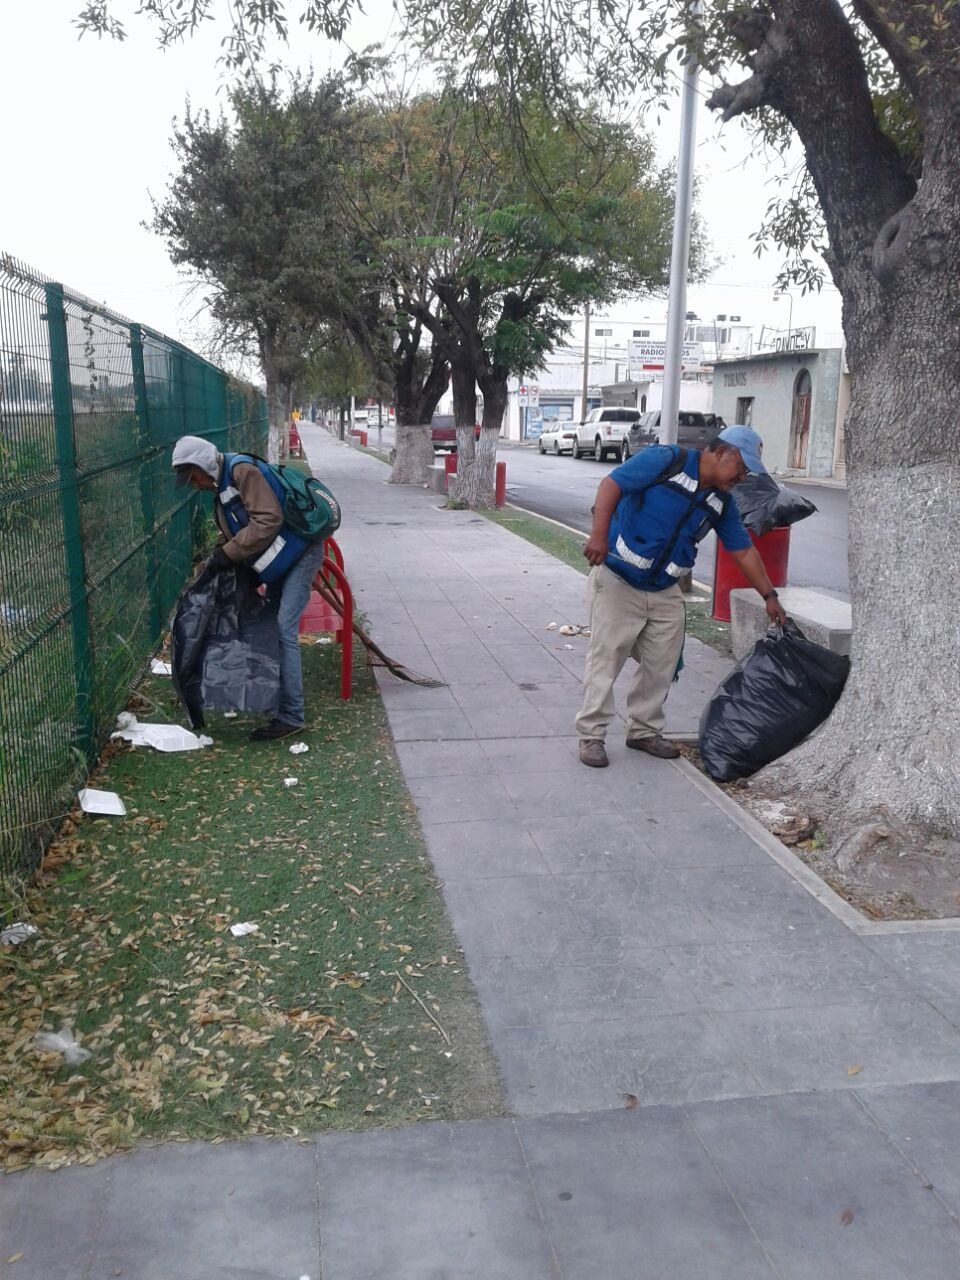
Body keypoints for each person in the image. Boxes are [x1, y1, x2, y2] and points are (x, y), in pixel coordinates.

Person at [576, 425, 788, 769]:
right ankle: (591, 735)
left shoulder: (721, 502)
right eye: (741, 468)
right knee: (606, 658)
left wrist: (769, 595)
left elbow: (743, 551)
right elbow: (611, 485)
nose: (742, 477)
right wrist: (598, 535)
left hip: (663, 589)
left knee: (662, 661)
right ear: (721, 452)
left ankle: (643, 730)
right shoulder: (666, 460)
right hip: (618, 579)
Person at [171, 435, 327, 740]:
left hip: (301, 553)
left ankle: (292, 716)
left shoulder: (241, 472)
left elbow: (268, 519)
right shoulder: (222, 485)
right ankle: (278, 704)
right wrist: (219, 555)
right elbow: (238, 528)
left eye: (193, 477)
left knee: (284, 630)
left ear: (203, 466)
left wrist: (228, 553)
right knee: (272, 627)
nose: (194, 485)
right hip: (281, 559)